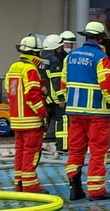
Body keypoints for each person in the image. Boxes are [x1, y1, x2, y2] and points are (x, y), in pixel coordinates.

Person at [62, 21, 110, 201]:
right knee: (97, 151)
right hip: (96, 113)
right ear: (101, 38)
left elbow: (64, 83)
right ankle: (96, 190)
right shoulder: (101, 57)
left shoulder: (70, 56)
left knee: (75, 150)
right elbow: (107, 85)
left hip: (74, 112)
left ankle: (75, 188)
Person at [4, 35, 49, 193]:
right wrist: (42, 113)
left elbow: (9, 91)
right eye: (40, 52)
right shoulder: (30, 69)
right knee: (32, 152)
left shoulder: (13, 67)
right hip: (31, 120)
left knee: (21, 151)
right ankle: (30, 186)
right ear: (35, 53)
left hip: (16, 119)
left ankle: (19, 183)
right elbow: (32, 95)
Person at [41, 34, 67, 151]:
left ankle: (39, 146)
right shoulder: (56, 61)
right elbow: (56, 81)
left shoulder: (41, 59)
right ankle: (63, 147)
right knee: (62, 121)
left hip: (46, 97)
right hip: (56, 98)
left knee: (44, 122)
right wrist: (61, 98)